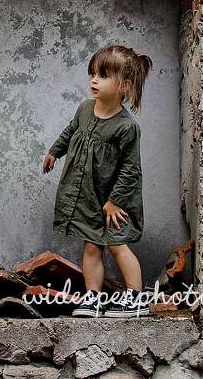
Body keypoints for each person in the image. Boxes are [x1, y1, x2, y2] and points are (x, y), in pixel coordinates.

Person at [42, 43, 152, 317]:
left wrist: (115, 201)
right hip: (90, 195)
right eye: (92, 73)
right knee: (91, 244)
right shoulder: (84, 109)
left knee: (116, 245)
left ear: (124, 86)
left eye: (103, 75)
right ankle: (93, 297)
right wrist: (55, 151)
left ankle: (136, 297)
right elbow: (70, 132)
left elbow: (131, 169)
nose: (94, 80)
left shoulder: (126, 127)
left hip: (115, 199)